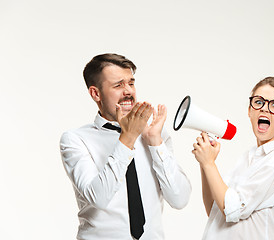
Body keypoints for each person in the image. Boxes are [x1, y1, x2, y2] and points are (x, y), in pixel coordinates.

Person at [60, 53, 191, 240]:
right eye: (118, 85)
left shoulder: (155, 135)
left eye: (131, 83)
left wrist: (155, 142)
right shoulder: (75, 140)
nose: (128, 91)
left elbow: (180, 199)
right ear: (95, 93)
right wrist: (127, 138)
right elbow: (98, 197)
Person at [192, 77, 274, 239]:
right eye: (258, 102)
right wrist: (205, 163)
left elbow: (231, 209)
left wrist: (209, 164)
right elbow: (214, 210)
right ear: (250, 111)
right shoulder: (248, 158)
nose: (265, 109)